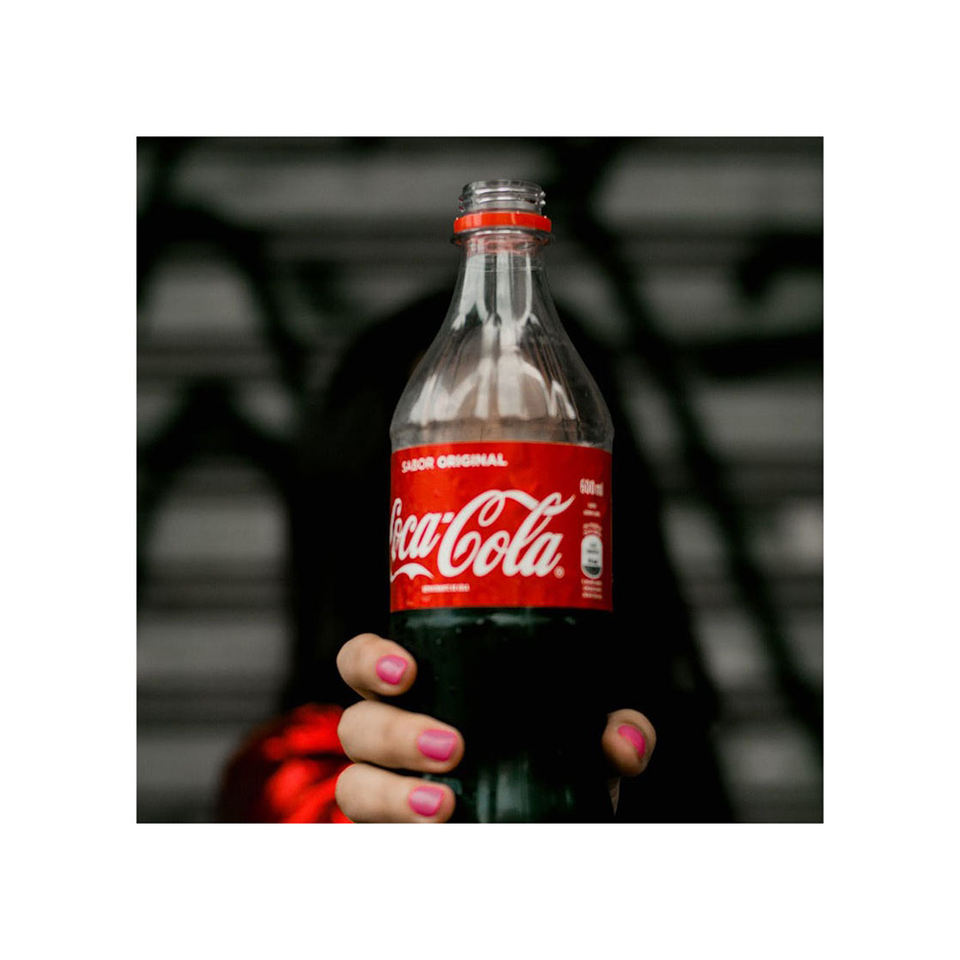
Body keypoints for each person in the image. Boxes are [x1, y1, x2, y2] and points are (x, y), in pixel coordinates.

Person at [217, 290, 732, 823]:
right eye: (462, 482)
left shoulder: (655, 754)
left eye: (535, 473)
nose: (502, 507)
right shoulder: (299, 777)